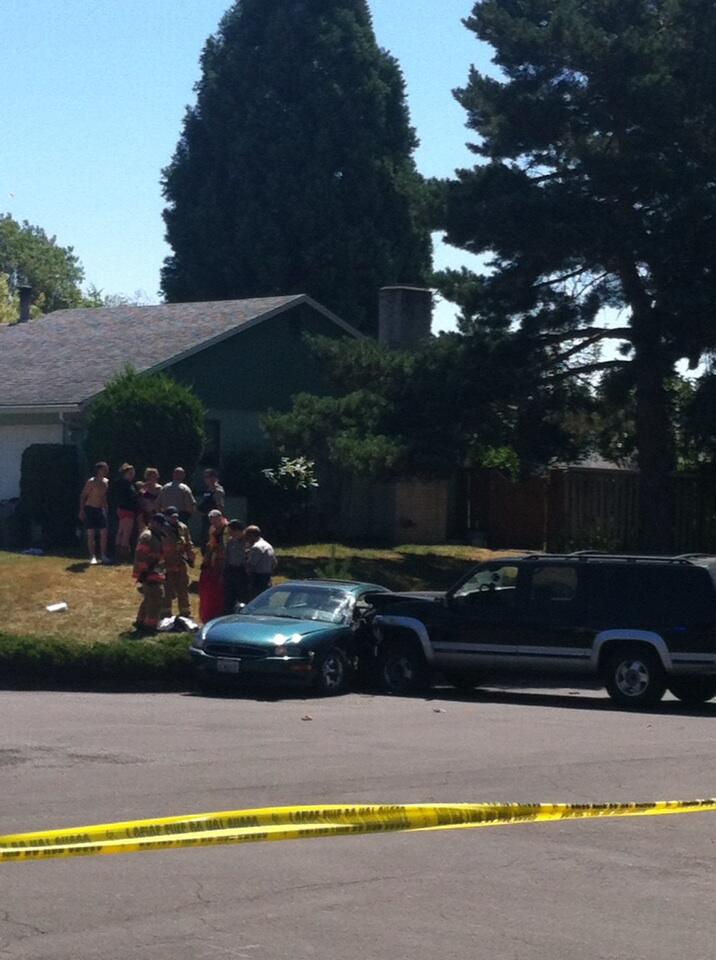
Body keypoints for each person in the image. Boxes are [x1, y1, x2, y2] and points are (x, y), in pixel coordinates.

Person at [132, 512, 171, 634]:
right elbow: (141, 555)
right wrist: (144, 573)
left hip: (156, 571)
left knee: (149, 598)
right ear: (153, 523)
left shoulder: (157, 535)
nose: (162, 527)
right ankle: (150, 626)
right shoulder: (147, 536)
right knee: (156, 599)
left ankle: (141, 621)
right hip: (149, 572)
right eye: (160, 524)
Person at [160, 506, 196, 620]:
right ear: (166, 517)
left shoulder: (182, 527)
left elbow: (188, 543)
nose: (174, 519)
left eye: (176, 517)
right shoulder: (161, 528)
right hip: (166, 562)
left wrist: (191, 557)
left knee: (183, 588)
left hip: (180, 561)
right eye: (172, 517)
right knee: (167, 588)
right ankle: (165, 612)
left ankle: (185, 611)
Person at [199, 509, 228, 623]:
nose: (213, 523)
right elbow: (210, 546)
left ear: (220, 517)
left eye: (215, 520)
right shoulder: (212, 529)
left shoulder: (227, 529)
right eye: (211, 521)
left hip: (224, 562)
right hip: (214, 562)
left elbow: (226, 548)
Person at [79, 461, 110, 565]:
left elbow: (104, 497)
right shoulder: (91, 482)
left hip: (100, 509)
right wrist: (82, 510)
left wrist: (106, 508)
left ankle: (103, 555)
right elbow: (83, 495)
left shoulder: (106, 482)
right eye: (104, 469)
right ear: (99, 470)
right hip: (90, 508)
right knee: (91, 533)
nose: (106, 471)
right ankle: (92, 556)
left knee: (104, 533)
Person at [114, 463, 139, 564]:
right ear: (125, 473)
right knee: (126, 532)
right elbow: (130, 498)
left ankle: (117, 552)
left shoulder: (119, 483)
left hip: (121, 508)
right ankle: (123, 555)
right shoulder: (127, 485)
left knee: (121, 531)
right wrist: (139, 494)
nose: (132, 475)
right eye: (130, 473)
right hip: (128, 509)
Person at [196, 468, 226, 552]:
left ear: (213, 477)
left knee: (211, 540)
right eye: (205, 477)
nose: (206, 479)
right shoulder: (208, 490)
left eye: (208, 476)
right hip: (206, 518)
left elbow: (220, 506)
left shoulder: (218, 490)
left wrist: (220, 521)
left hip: (214, 520)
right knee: (204, 539)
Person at [244, 525, 277, 599]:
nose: (246, 540)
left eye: (247, 537)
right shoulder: (268, 545)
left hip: (257, 578)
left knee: (255, 599)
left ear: (252, 536)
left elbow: (251, 564)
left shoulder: (256, 547)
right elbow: (274, 563)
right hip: (267, 576)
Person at [223, 519, 248, 614]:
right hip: (231, 570)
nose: (231, 534)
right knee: (229, 597)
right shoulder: (231, 541)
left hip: (242, 572)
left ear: (238, 530)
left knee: (243, 596)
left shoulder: (247, 541)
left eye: (232, 532)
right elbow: (227, 556)